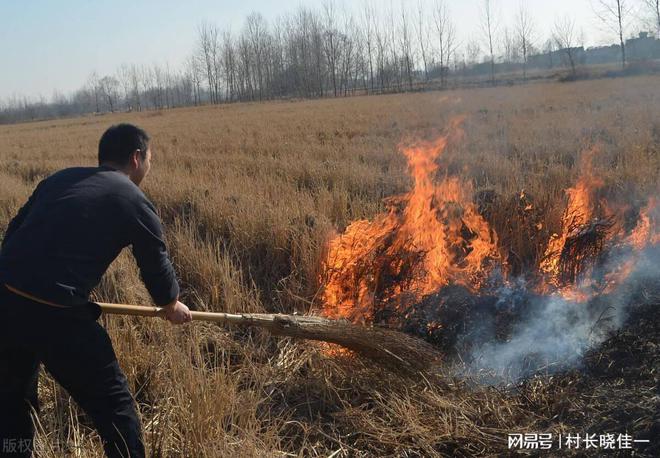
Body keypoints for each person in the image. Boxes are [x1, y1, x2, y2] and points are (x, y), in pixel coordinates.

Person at [0, 123, 192, 458]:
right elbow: (155, 264)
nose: (150, 166)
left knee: (12, 401)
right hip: (57, 316)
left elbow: (13, 234)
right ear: (136, 158)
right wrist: (171, 303)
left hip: (6, 299)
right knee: (115, 409)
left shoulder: (59, 179)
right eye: (150, 159)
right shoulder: (132, 198)